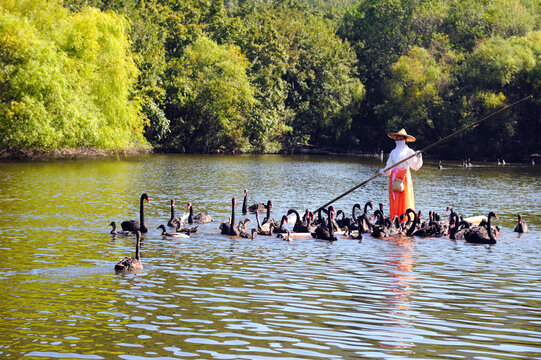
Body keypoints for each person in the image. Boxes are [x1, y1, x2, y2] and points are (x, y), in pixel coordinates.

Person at [379, 129, 423, 220]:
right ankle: (395, 219)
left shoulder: (409, 152)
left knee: (405, 199)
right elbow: (389, 168)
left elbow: (415, 166)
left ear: (405, 140)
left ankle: (406, 220)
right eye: (397, 139)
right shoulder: (393, 152)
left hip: (404, 178)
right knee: (395, 200)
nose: (399, 141)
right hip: (394, 178)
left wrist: (418, 157)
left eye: (401, 139)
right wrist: (384, 170)